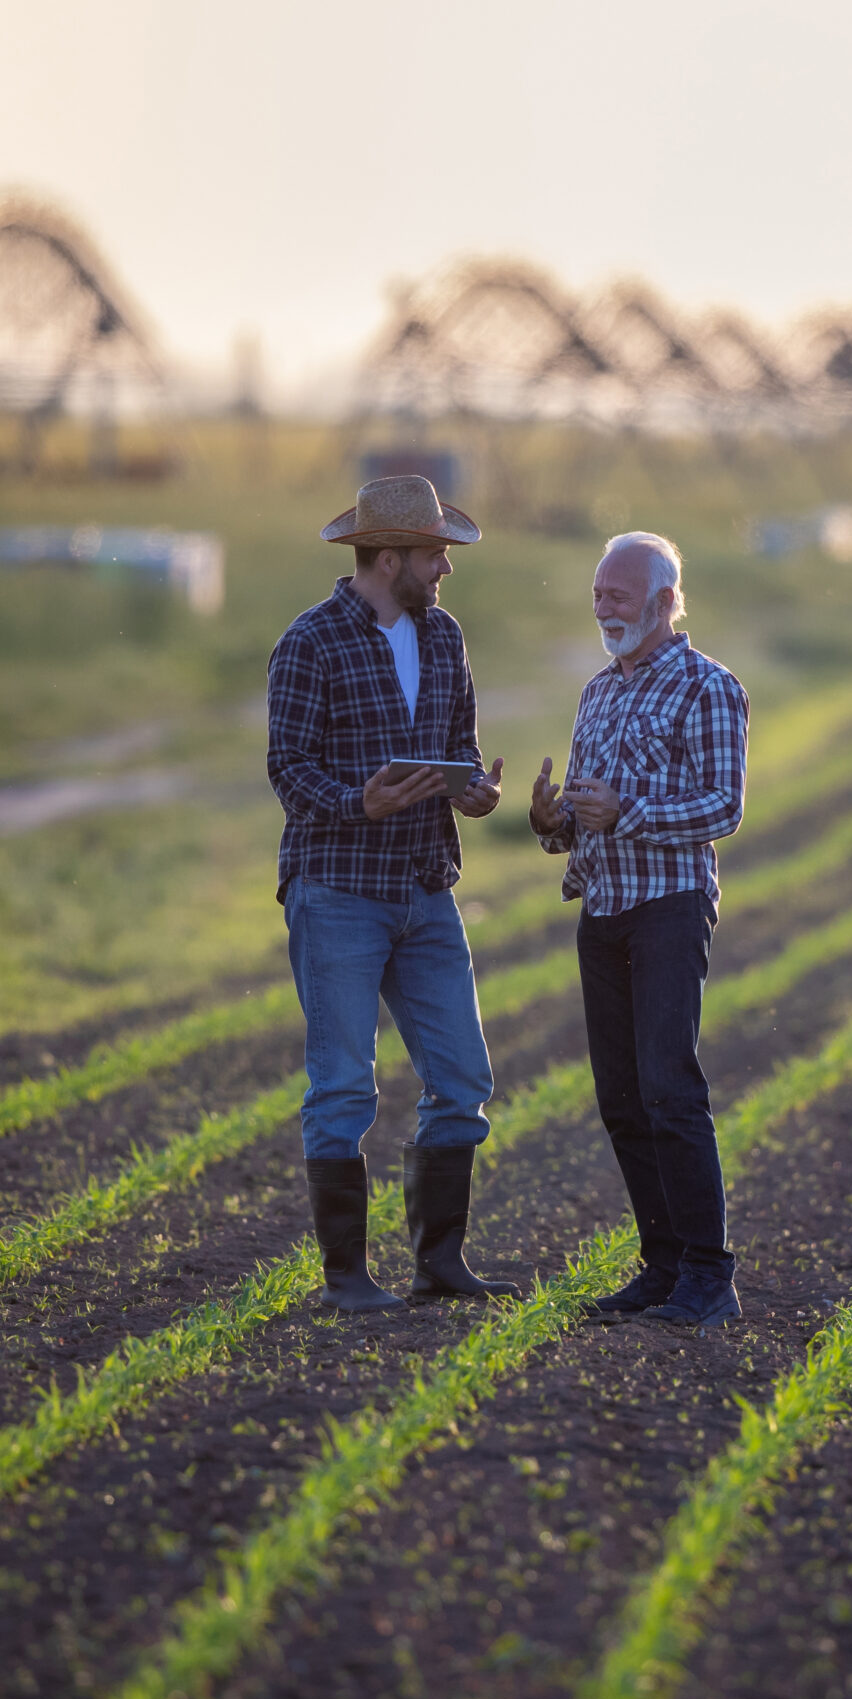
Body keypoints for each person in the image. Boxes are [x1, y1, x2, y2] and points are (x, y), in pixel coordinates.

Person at [266, 474, 520, 1313]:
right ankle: (346, 1276)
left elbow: (458, 748)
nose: (446, 569)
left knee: (464, 1078)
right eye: (435, 553)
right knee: (343, 1086)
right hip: (338, 889)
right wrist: (355, 801)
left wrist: (473, 791)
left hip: (425, 888)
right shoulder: (311, 642)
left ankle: (437, 1265)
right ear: (389, 556)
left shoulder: (445, 639)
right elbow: (288, 767)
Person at [531, 531, 750, 1328]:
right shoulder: (599, 691)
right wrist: (553, 823)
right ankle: (661, 1266)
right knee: (622, 1099)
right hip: (603, 910)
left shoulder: (708, 687)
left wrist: (628, 812)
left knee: (669, 1088)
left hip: (668, 907)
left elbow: (723, 807)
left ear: (664, 602)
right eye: (597, 592)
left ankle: (709, 1271)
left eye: (617, 594)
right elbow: (586, 821)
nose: (602, 605)